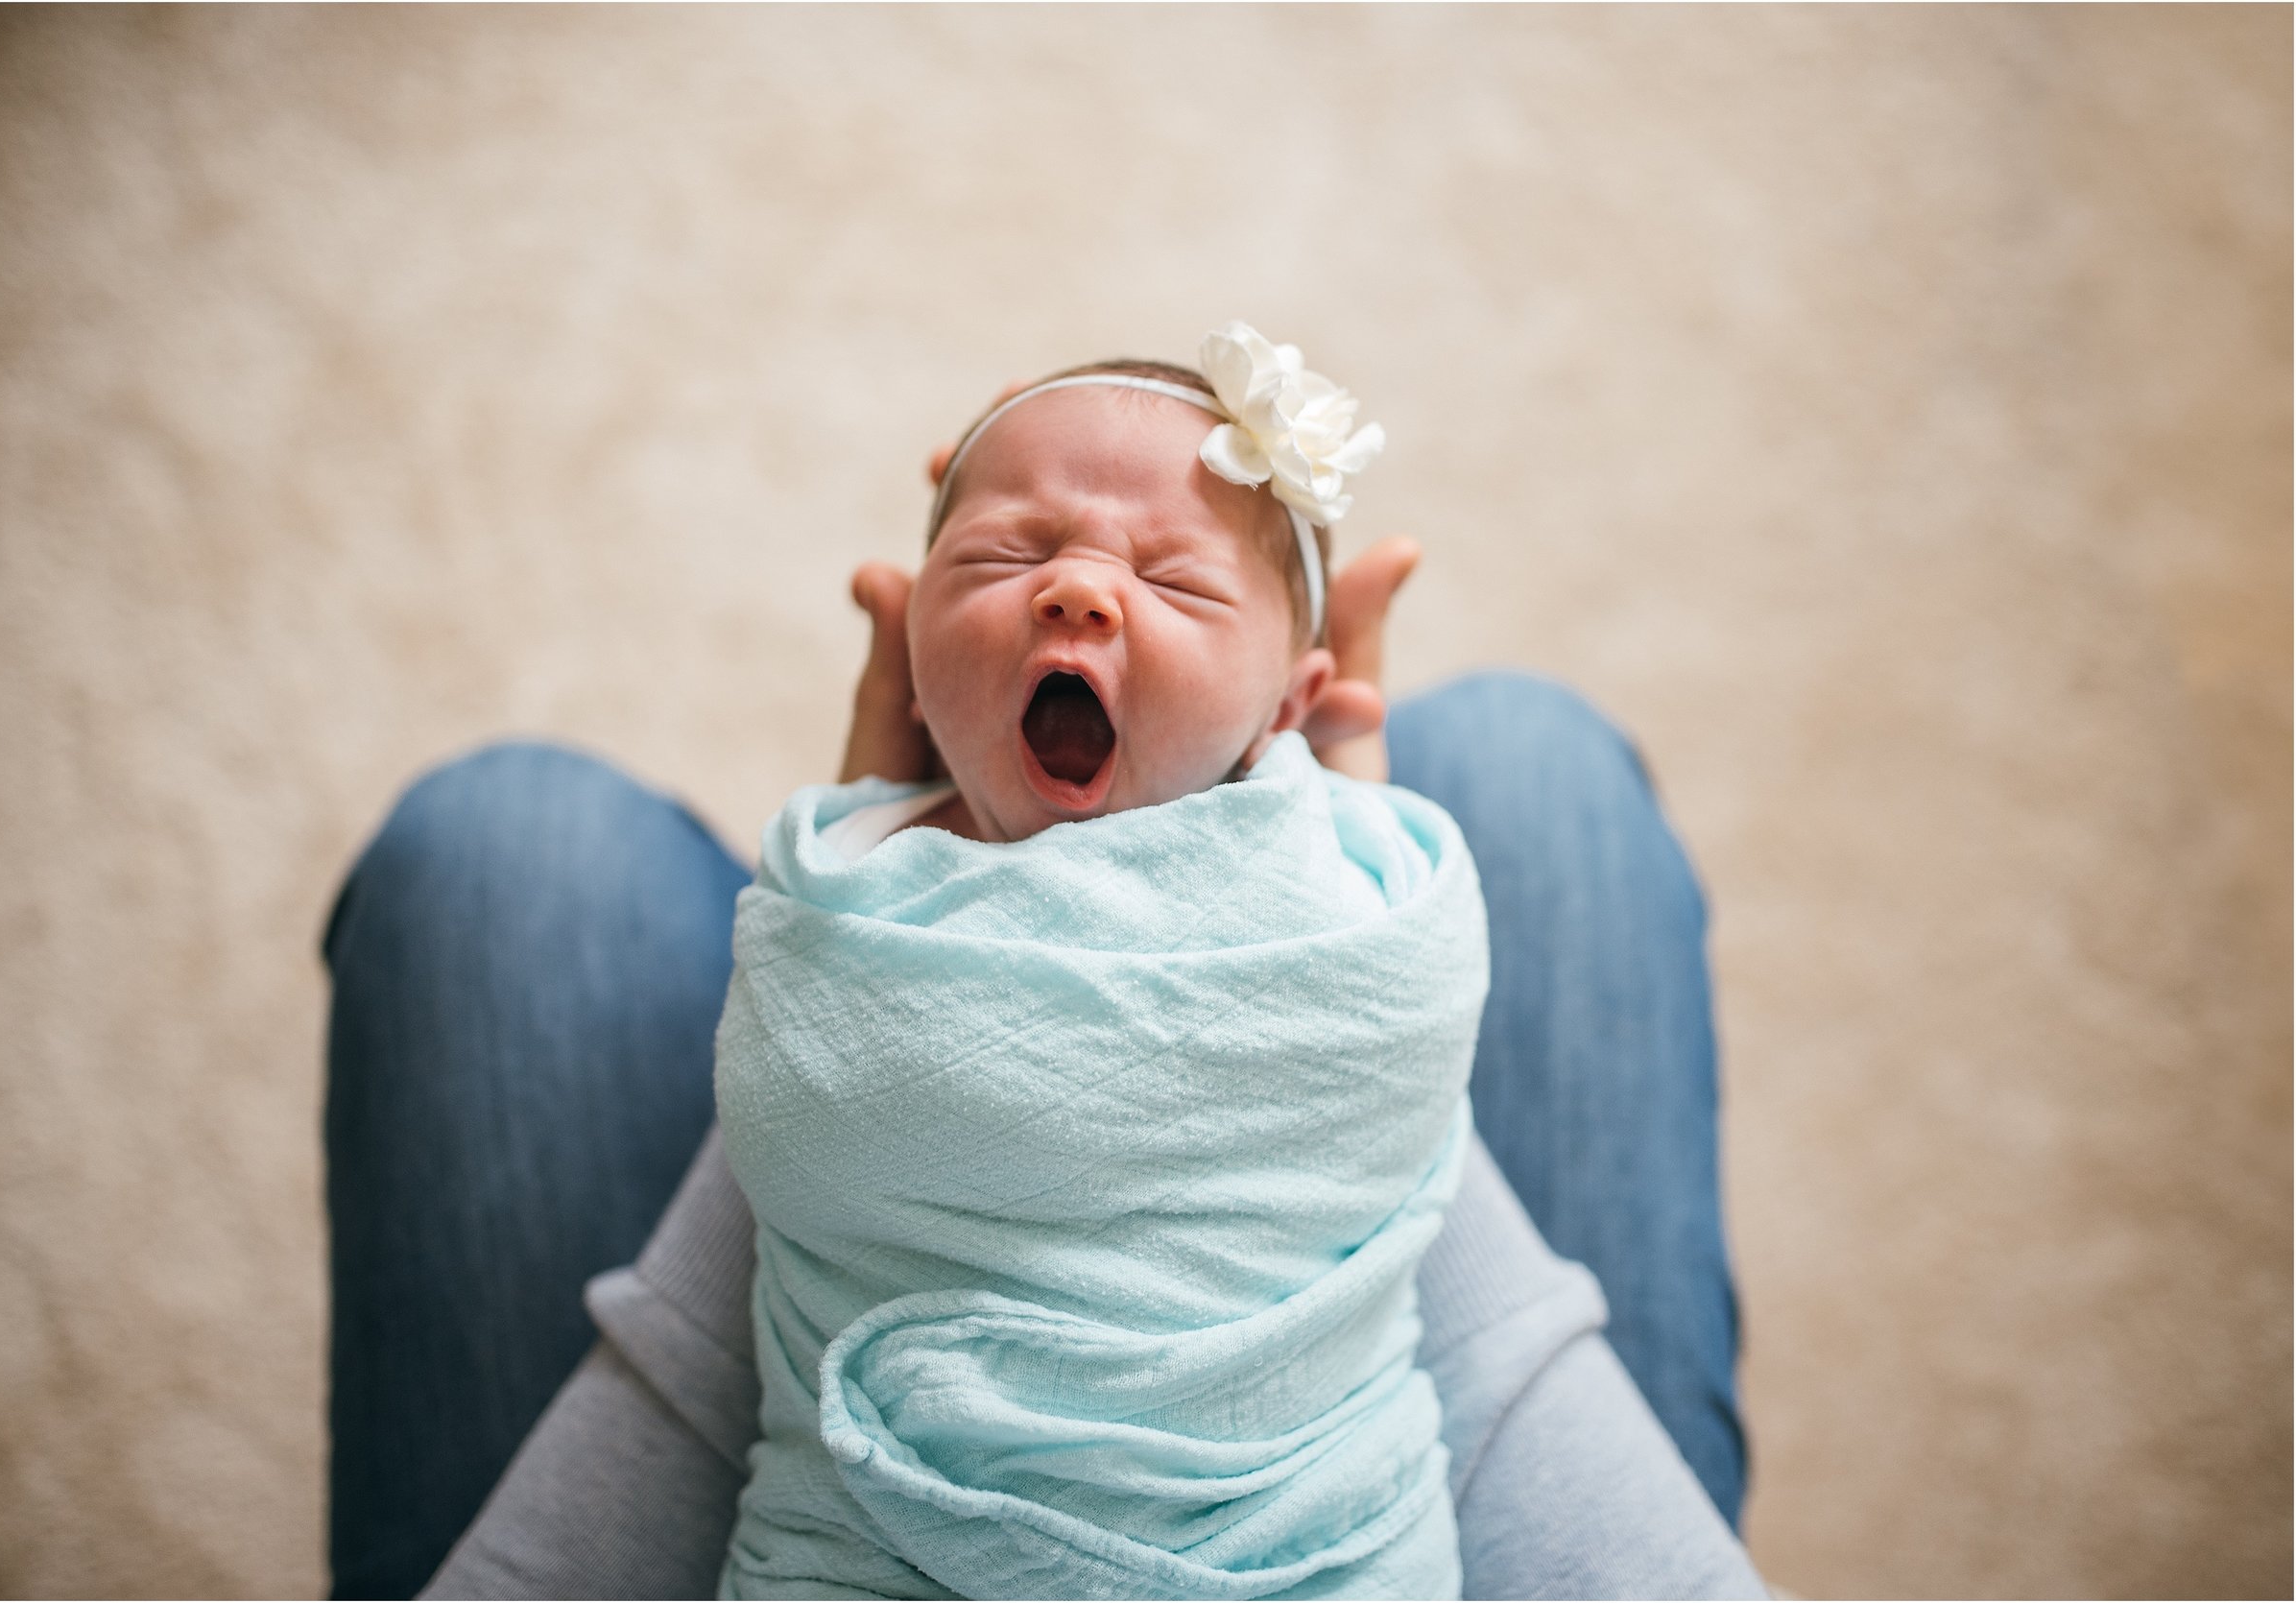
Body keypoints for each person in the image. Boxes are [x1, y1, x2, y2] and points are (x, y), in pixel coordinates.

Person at [322, 331, 1761, 1600]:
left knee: (503, 845)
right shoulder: (873, 880)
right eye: (1003, 557)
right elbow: (1386, 972)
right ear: (922, 658)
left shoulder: (861, 894)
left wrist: (843, 960)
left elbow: (1375, 993)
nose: (1075, 589)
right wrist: (1346, 845)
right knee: (1531, 754)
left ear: (1288, 711)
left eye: (1176, 581)